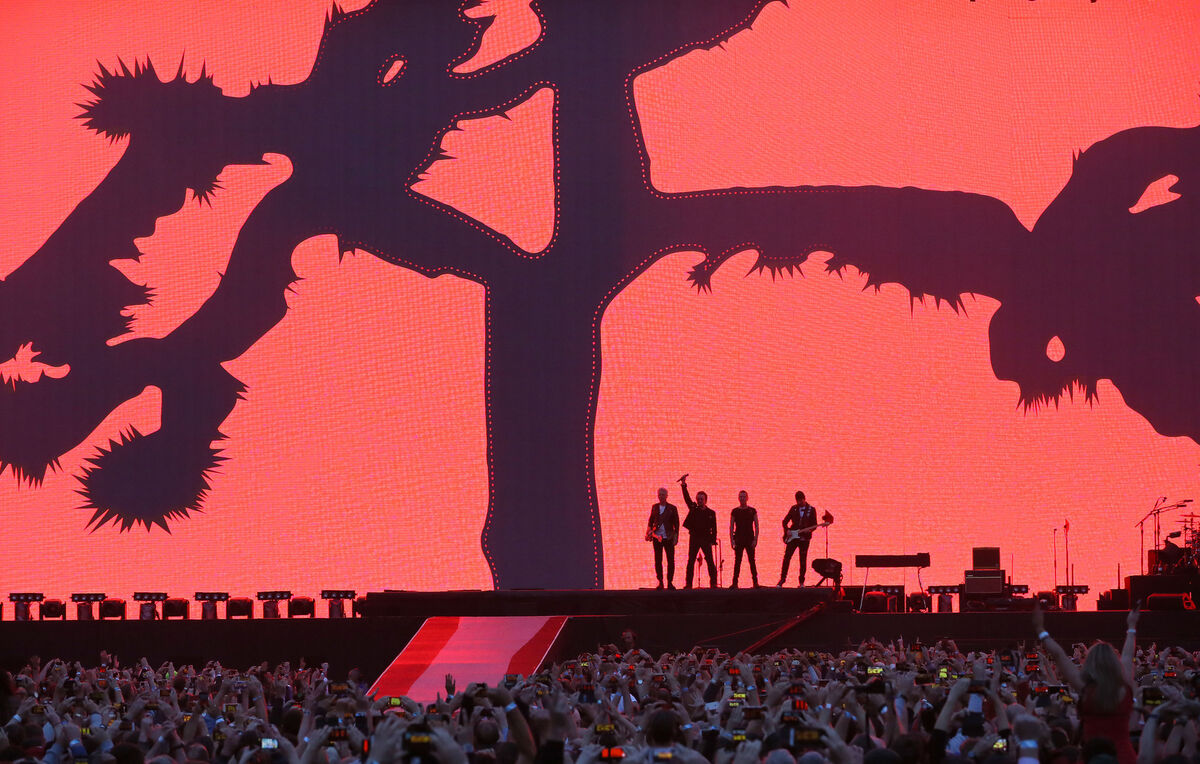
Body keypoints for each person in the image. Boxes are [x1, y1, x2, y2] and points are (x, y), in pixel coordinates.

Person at [1033, 602, 1140, 764]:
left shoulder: (1086, 690)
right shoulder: (1125, 688)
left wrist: (1040, 629)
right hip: (1124, 758)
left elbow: (1059, 655)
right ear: (1114, 663)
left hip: (1091, 758)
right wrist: (1131, 626)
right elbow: (1127, 655)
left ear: (1090, 663)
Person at [680, 477, 718, 589]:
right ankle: (688, 584)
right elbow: (687, 498)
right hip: (694, 538)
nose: (700, 501)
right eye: (698, 499)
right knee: (691, 560)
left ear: (705, 500)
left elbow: (714, 528)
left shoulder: (711, 513)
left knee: (710, 561)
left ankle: (713, 583)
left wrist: (713, 540)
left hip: (706, 539)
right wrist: (683, 485)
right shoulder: (693, 509)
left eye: (702, 499)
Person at [778, 490, 818, 587]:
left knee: (803, 560)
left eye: (801, 501)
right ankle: (782, 579)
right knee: (787, 557)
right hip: (793, 537)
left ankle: (801, 581)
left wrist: (810, 530)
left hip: (805, 539)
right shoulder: (793, 508)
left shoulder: (811, 509)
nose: (799, 503)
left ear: (804, 499)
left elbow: (815, 525)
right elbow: (784, 522)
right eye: (798, 501)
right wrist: (787, 530)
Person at [645, 488, 679, 589]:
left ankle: (670, 582)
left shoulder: (672, 508)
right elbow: (650, 521)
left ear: (667, 496)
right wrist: (648, 531)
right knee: (658, 560)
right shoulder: (655, 507)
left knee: (671, 560)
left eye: (663, 494)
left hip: (668, 537)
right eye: (659, 494)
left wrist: (676, 536)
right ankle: (660, 581)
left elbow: (676, 524)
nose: (661, 496)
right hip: (657, 537)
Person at [728, 490, 760, 588]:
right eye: (741, 497)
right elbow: (731, 526)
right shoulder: (735, 511)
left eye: (744, 497)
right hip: (738, 539)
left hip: (749, 539)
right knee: (737, 561)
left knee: (752, 561)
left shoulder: (752, 510)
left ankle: (755, 582)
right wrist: (732, 540)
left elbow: (756, 526)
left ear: (747, 498)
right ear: (738, 498)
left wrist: (755, 539)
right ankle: (735, 583)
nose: (742, 499)